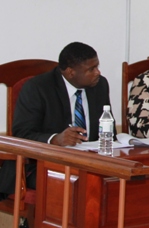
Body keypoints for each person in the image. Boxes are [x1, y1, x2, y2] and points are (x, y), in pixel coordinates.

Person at [0, 42, 111, 205]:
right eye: (91, 69)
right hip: (40, 165)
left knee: (114, 182)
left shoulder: (100, 85)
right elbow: (22, 134)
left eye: (97, 66)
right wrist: (55, 139)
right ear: (70, 72)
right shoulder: (37, 88)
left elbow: (106, 127)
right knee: (79, 182)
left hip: (91, 162)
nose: (97, 72)